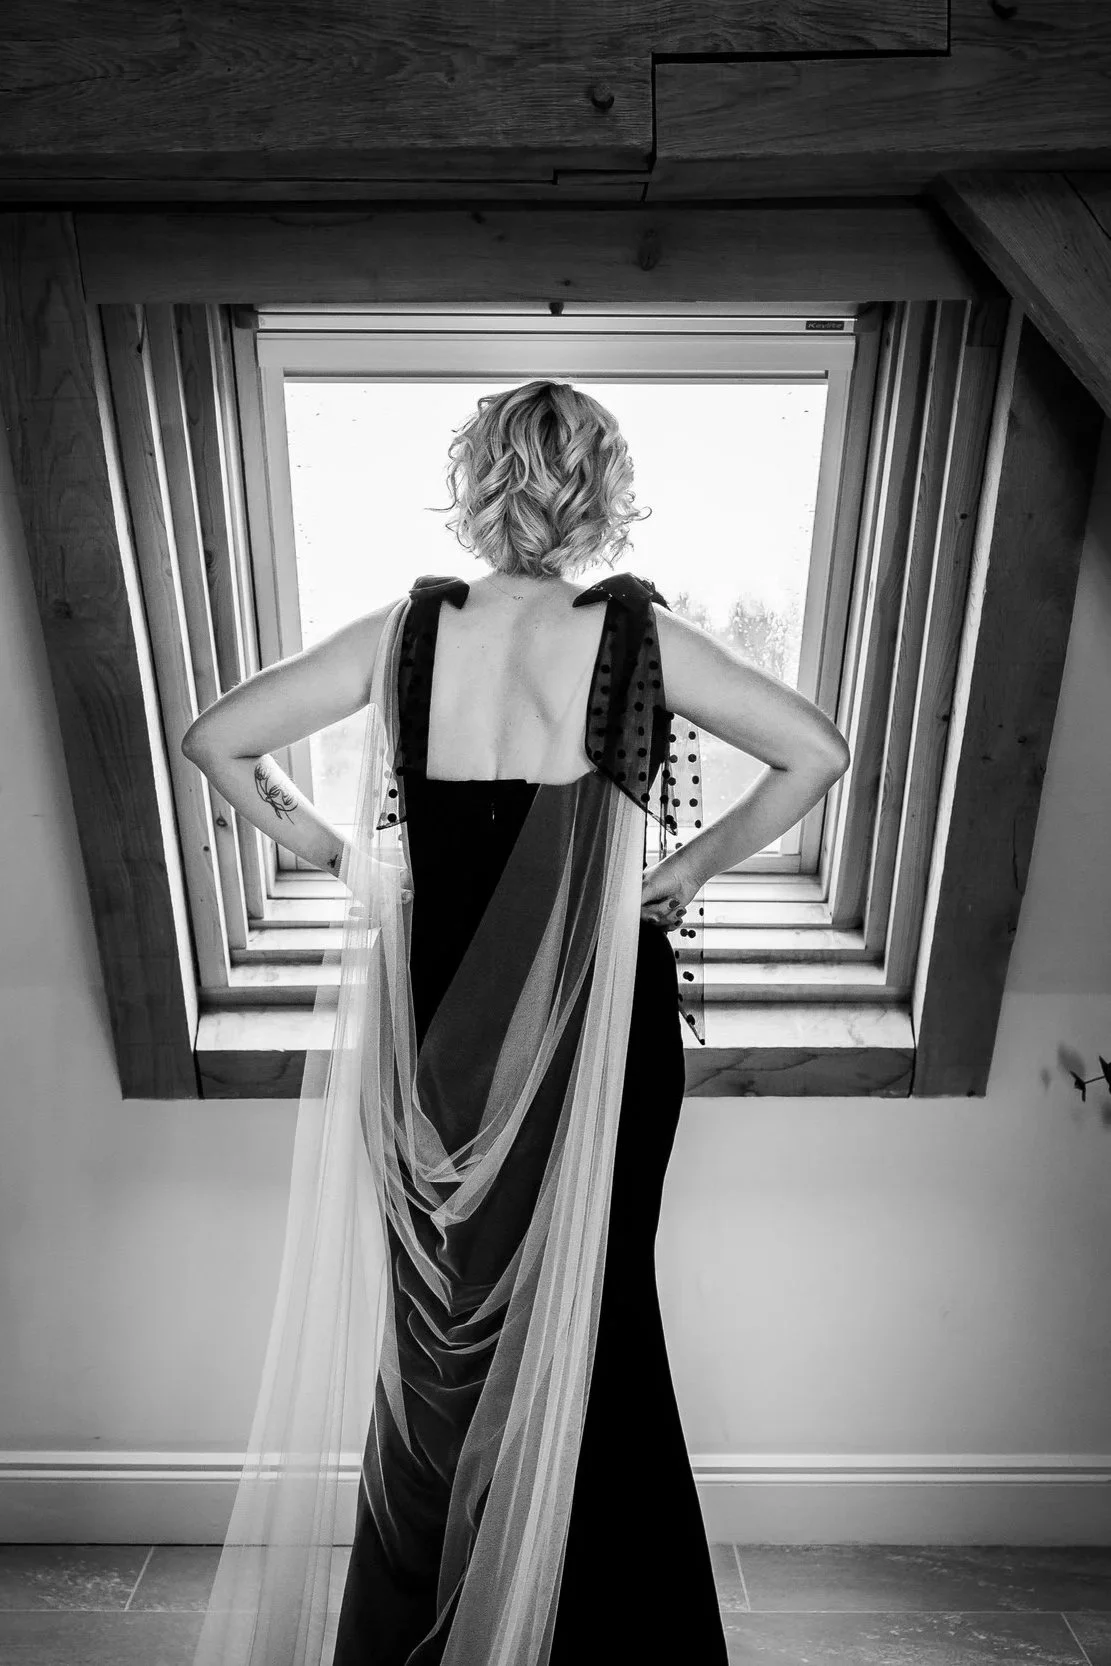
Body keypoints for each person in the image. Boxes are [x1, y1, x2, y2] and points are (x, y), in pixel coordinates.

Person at [181, 379, 850, 1666]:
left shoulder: (408, 632)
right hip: (600, 1007)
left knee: (443, 1327)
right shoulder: (639, 640)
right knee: (600, 1314)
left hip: (437, 1020)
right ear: (600, 490)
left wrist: (339, 855)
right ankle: (603, 1631)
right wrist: (690, 869)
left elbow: (217, 739)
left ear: (476, 483)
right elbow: (818, 753)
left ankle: (449, 1621)